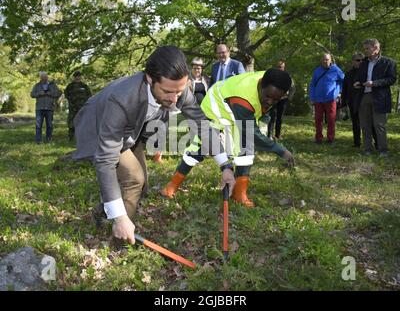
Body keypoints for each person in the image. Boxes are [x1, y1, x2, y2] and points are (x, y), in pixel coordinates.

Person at [72, 46, 235, 245]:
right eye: (167, 91)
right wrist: (120, 217)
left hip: (133, 130)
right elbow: (106, 160)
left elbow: (202, 125)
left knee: (143, 185)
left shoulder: (178, 89)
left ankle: (104, 210)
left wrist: (225, 165)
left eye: (179, 91)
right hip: (100, 127)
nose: (174, 99)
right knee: (134, 179)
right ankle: (120, 241)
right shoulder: (122, 98)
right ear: (150, 79)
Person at [161, 69, 294, 208]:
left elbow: (261, 116)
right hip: (215, 108)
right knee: (200, 147)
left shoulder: (271, 79)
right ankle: (171, 186)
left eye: (276, 99)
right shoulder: (243, 98)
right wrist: (280, 150)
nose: (270, 101)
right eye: (267, 96)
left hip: (234, 110)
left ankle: (239, 193)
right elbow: (252, 133)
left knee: (245, 148)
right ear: (261, 85)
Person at [354, 38, 397, 156]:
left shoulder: (389, 63)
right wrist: (357, 82)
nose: (366, 51)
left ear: (376, 49)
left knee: (379, 125)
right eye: (365, 49)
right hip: (364, 96)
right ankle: (367, 149)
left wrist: (374, 83)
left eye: (368, 48)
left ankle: (383, 150)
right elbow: (359, 77)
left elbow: (391, 79)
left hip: (380, 97)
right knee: (365, 124)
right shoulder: (363, 64)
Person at [342, 52, 378, 148]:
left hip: (366, 100)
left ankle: (377, 143)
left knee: (371, 123)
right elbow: (345, 89)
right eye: (358, 60)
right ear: (353, 61)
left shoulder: (368, 72)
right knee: (356, 123)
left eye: (362, 60)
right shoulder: (348, 74)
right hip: (353, 101)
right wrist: (343, 104)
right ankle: (357, 142)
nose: (361, 62)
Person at [309, 53, 344, 144]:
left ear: (331, 60)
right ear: (321, 61)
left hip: (331, 99)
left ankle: (330, 139)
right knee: (318, 119)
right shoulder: (317, 71)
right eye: (324, 59)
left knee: (331, 120)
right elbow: (312, 85)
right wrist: (312, 97)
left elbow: (344, 80)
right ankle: (318, 138)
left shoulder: (336, 70)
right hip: (318, 99)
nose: (325, 61)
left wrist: (339, 92)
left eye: (327, 59)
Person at [267, 60, 296, 140]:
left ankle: (277, 135)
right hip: (273, 99)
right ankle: (269, 134)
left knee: (280, 117)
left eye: (281, 67)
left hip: (283, 99)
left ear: (284, 67)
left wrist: (289, 98)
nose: (280, 68)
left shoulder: (288, 77)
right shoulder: (272, 76)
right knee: (272, 116)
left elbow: (292, 88)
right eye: (279, 67)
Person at [30, 71, 62, 143]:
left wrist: (51, 93)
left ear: (47, 77)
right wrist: (39, 94)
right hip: (39, 108)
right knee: (38, 125)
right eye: (43, 77)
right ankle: (38, 140)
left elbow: (58, 93)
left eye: (46, 77)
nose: (44, 78)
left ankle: (48, 139)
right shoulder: (37, 85)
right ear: (40, 78)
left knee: (49, 125)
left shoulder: (52, 85)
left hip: (49, 107)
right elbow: (32, 94)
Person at [64, 70, 92, 141]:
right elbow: (66, 95)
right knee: (71, 123)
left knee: (82, 122)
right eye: (76, 76)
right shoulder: (70, 86)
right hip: (72, 107)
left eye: (79, 76)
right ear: (74, 77)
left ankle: (82, 137)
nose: (77, 78)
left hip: (82, 107)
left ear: (81, 77)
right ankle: (71, 137)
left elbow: (89, 96)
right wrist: (71, 102)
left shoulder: (84, 86)